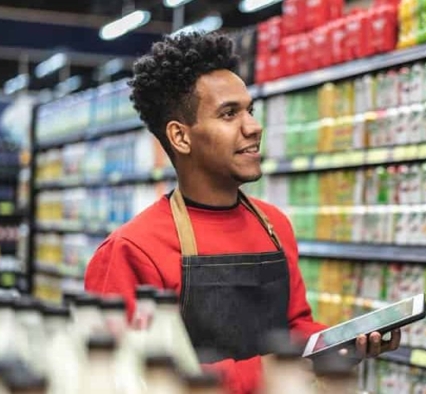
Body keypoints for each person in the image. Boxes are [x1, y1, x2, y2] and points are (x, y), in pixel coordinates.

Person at [83, 31, 401, 393]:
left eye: (250, 109)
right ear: (180, 137)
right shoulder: (131, 249)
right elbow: (127, 378)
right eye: (229, 114)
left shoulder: (273, 225)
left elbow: (295, 325)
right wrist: (269, 368)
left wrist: (339, 344)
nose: (254, 126)